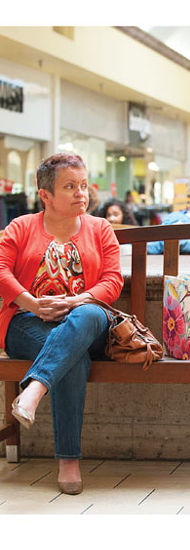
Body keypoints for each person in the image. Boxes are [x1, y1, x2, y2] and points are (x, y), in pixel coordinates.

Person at [0, 153, 123, 495]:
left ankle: (34, 390)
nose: (80, 193)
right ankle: (69, 461)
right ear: (46, 195)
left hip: (88, 321)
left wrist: (72, 301)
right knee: (73, 358)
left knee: (86, 313)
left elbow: (112, 282)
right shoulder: (21, 227)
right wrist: (32, 304)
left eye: (83, 185)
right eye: (69, 187)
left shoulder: (100, 229)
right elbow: (0, 269)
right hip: (27, 323)